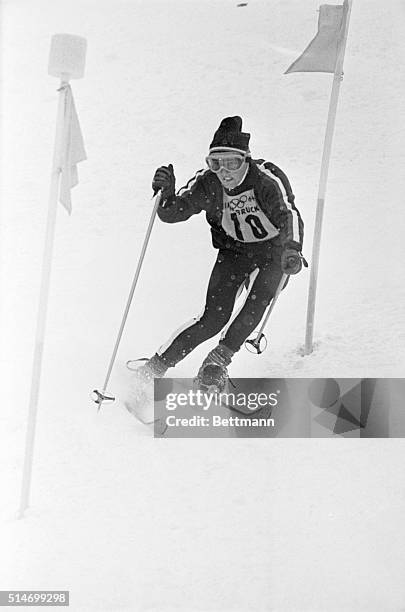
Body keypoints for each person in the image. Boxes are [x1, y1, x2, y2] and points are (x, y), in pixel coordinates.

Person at [130, 116, 304, 397]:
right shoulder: (209, 183)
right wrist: (166, 194)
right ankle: (154, 368)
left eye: (232, 162)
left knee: (260, 296)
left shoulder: (266, 178)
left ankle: (218, 361)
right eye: (215, 163)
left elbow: (289, 214)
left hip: (273, 253)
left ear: (246, 159)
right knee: (212, 318)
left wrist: (293, 249)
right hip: (235, 252)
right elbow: (174, 212)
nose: (224, 172)